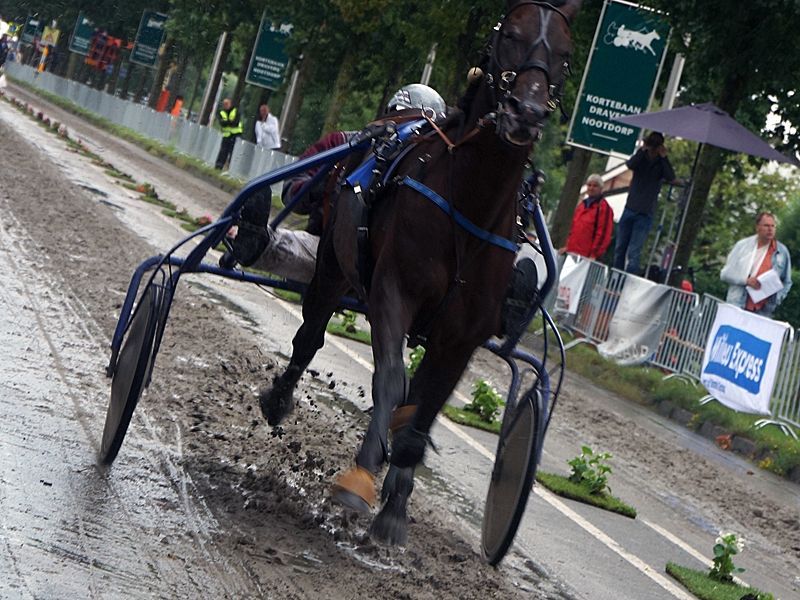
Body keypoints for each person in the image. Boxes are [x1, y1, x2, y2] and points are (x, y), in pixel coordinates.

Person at [220, 84, 448, 281]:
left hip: (393, 273)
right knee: (282, 244)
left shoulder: (434, 175)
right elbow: (291, 190)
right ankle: (254, 240)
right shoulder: (344, 143)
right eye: (402, 118)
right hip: (328, 252)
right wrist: (322, 184)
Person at [614, 131, 680, 275]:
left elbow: (670, 176)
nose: (652, 150)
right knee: (620, 248)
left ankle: (626, 280)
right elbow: (630, 164)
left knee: (634, 252)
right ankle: (615, 277)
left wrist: (664, 158)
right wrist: (642, 151)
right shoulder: (641, 159)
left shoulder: (661, 164)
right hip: (630, 207)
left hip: (645, 212)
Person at [720, 212, 792, 318]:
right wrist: (745, 280)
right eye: (766, 225)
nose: (770, 229)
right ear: (757, 227)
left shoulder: (782, 252)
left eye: (773, 226)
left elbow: (787, 282)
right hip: (737, 304)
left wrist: (776, 300)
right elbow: (725, 274)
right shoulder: (742, 246)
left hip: (763, 311)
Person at [559, 173, 614, 260]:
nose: (591, 188)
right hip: (572, 253)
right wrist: (567, 246)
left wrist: (594, 255)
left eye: (595, 186)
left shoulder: (604, 208)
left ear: (601, 188)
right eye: (589, 185)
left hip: (587, 257)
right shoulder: (582, 205)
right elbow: (573, 228)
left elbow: (603, 234)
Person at [214, 98, 243, 170]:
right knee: (223, 151)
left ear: (230, 104)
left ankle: (230, 168)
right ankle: (218, 166)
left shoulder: (236, 111)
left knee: (233, 152)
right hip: (226, 135)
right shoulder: (221, 112)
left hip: (235, 135)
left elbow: (235, 123)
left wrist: (227, 122)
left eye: (227, 104)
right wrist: (229, 122)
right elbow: (222, 123)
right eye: (224, 104)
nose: (225, 105)